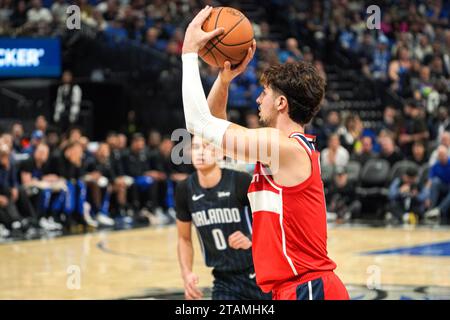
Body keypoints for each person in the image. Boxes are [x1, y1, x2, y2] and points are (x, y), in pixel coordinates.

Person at [181, 6, 349, 300]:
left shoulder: (284, 147)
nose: (259, 99)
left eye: (265, 93)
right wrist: (224, 79)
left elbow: (198, 123)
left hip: (308, 288)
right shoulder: (278, 149)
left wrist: (188, 52)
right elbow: (213, 128)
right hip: (290, 288)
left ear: (281, 102)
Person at [176, 135, 271, 300]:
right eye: (196, 147)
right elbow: (184, 239)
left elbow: (272, 222)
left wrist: (251, 238)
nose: (200, 152)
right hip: (224, 280)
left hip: (259, 273)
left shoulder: (240, 181)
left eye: (206, 147)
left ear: (220, 153)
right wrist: (187, 274)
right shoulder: (184, 189)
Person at [425, 145, 450, 224]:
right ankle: (431, 210)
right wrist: (427, 196)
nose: (441, 157)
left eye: (443, 154)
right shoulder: (435, 165)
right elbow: (430, 181)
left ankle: (439, 210)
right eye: (440, 155)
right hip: (442, 186)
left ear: (447, 154)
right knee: (435, 182)